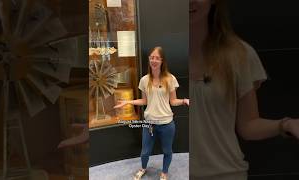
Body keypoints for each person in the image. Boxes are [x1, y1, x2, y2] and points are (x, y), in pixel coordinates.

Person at [190, 0, 299, 179]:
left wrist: (285, 124)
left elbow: (248, 125)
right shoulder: (156, 56)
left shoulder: (239, 54)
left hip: (226, 174)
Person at [114, 46, 189, 180]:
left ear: (162, 61)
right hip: (149, 124)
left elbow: (173, 101)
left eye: (157, 58)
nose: (154, 60)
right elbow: (144, 100)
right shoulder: (144, 80)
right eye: (152, 57)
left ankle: (164, 172)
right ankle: (143, 168)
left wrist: (184, 100)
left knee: (167, 151)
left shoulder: (170, 79)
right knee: (145, 152)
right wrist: (128, 102)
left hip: (167, 124)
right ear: (149, 60)